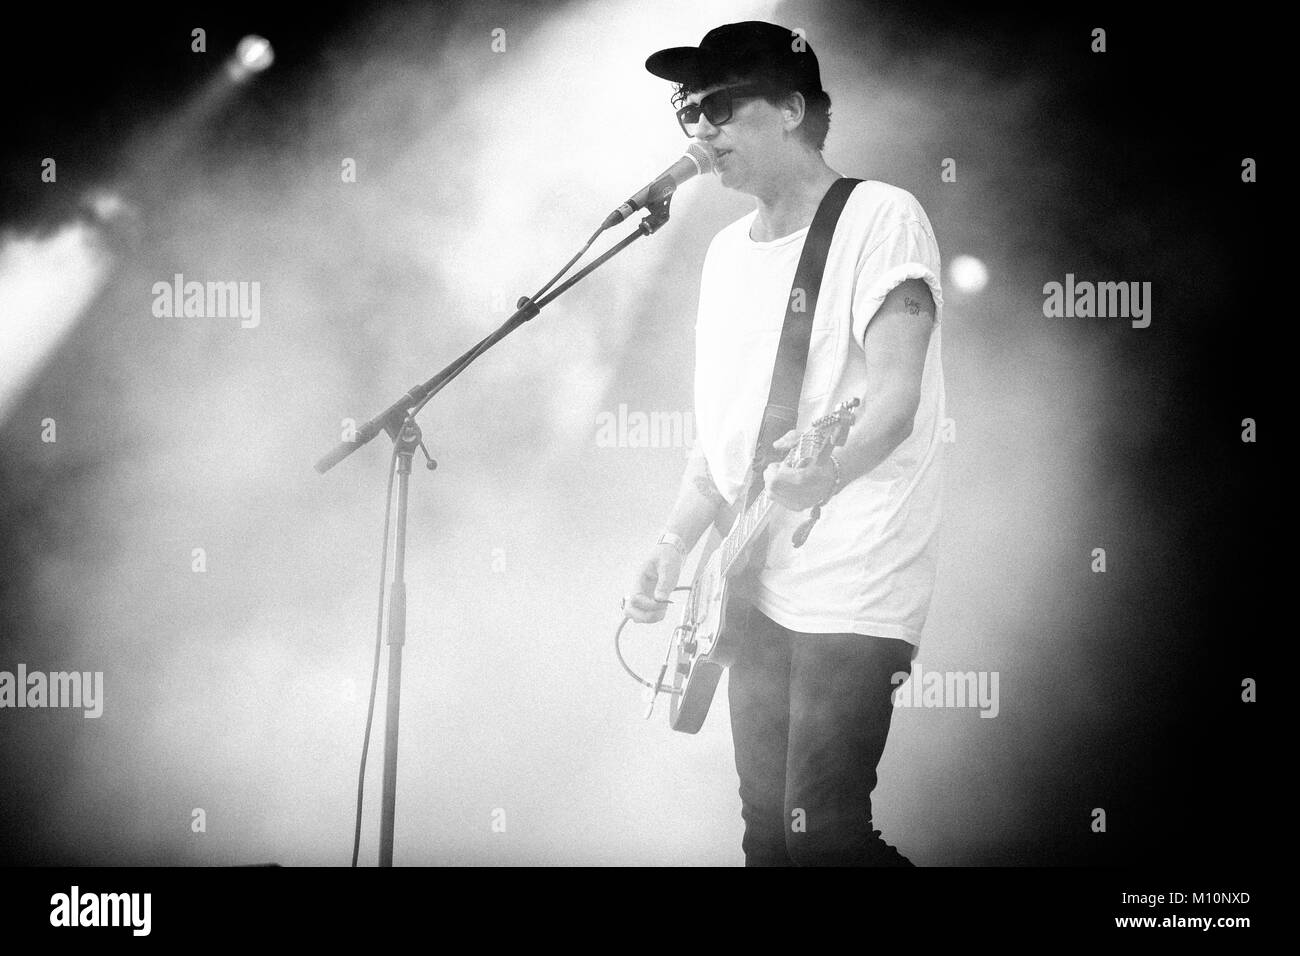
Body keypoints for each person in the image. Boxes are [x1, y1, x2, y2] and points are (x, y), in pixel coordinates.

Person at [621, 21, 946, 866]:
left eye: (722, 106)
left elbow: (897, 398)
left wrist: (827, 468)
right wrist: (671, 541)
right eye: (687, 112)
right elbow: (722, 442)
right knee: (768, 835)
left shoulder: (879, 215)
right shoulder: (725, 256)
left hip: (855, 569)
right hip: (754, 574)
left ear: (793, 109)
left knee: (827, 831)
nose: (701, 131)